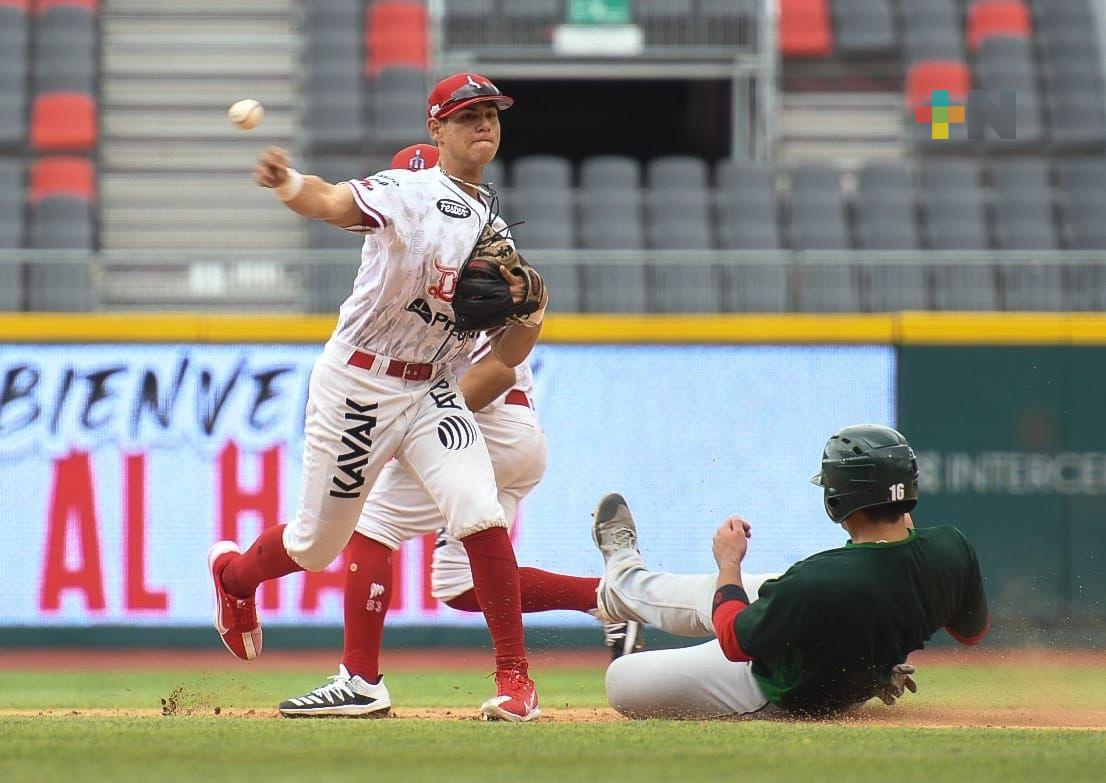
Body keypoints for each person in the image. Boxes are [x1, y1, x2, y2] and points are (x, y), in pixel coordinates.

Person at [207, 73, 550, 722]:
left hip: (431, 388)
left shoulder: (494, 227)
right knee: (315, 546)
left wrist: (533, 310)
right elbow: (333, 202)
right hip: (361, 383)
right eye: (467, 115)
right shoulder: (408, 190)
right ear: (437, 129)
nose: (484, 123)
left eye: (491, 114)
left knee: (479, 511)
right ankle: (233, 577)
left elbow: (508, 354)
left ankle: (515, 680)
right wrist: (288, 183)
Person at [276, 144, 641, 720]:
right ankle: (606, 599)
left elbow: (497, 370)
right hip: (513, 434)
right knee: (458, 583)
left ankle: (361, 678)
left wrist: (401, 427)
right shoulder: (450, 256)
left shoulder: (461, 254)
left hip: (491, 421)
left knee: (375, 525)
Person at [593, 424, 990, 719]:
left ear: (837, 498)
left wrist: (729, 562)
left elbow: (733, 641)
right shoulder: (951, 548)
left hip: (777, 689)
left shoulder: (818, 578)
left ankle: (623, 585)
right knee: (715, 593)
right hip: (844, 662)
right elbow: (970, 633)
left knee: (621, 680)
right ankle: (623, 580)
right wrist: (875, 653)